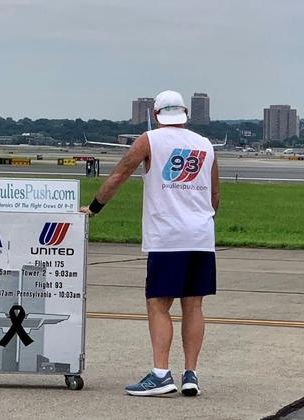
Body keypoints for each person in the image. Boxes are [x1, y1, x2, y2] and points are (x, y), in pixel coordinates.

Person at [82, 89, 219, 397]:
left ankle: (160, 373)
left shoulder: (149, 140)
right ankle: (191, 374)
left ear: (157, 115)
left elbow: (119, 174)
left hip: (167, 237)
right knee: (194, 304)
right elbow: (215, 196)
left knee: (158, 303)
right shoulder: (206, 145)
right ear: (185, 113)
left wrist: (94, 207)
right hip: (201, 236)